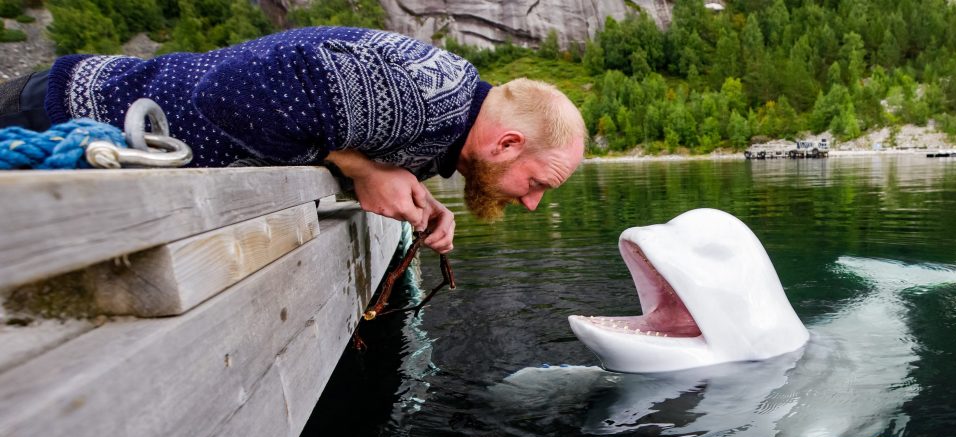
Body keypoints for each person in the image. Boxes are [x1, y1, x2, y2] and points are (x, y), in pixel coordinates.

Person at [0, 26, 587, 254]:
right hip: (65, 116)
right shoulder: (419, 95)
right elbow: (225, 93)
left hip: (96, 130)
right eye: (537, 183)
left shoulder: (445, 109)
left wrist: (414, 195)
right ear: (507, 144)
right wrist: (362, 171)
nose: (533, 200)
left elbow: (333, 120)